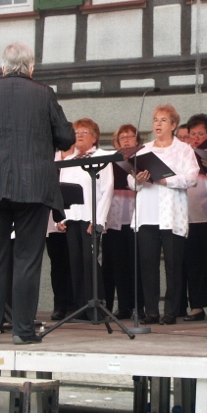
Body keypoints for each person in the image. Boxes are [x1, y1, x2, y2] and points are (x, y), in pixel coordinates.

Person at [0, 42, 74, 345]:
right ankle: (22, 331)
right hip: (33, 185)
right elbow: (66, 137)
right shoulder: (44, 93)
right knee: (27, 260)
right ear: (31, 68)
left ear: (3, 67)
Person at [130, 105, 198, 325]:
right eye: (155, 120)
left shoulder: (184, 150)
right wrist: (138, 179)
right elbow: (131, 181)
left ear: (174, 125)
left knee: (174, 264)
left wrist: (166, 180)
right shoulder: (143, 150)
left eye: (163, 120)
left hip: (172, 216)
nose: (158, 124)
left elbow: (192, 178)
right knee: (147, 264)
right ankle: (151, 310)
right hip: (147, 214)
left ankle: (171, 310)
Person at [56, 119, 114, 320]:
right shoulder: (69, 160)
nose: (79, 135)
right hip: (72, 218)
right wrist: (60, 218)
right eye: (76, 132)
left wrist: (98, 219)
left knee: (90, 261)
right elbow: (61, 190)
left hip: (91, 218)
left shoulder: (102, 157)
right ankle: (80, 307)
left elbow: (106, 190)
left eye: (84, 131)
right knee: (76, 262)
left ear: (95, 137)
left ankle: (96, 306)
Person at [181, 114, 207, 321]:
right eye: (192, 134)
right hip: (188, 219)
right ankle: (197, 306)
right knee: (193, 264)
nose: (195, 138)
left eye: (200, 134)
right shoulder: (184, 155)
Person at [103, 124, 143, 319]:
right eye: (122, 137)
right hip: (115, 217)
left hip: (137, 215)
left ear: (137, 140)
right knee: (118, 264)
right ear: (116, 142)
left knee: (137, 263)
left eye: (130, 136)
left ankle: (140, 306)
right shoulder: (110, 160)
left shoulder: (143, 158)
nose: (126, 140)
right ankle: (124, 306)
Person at [46, 143, 75, 321]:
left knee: (74, 263)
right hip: (53, 219)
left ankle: (74, 305)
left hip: (74, 218)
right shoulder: (51, 158)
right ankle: (60, 305)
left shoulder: (79, 159)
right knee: (57, 265)